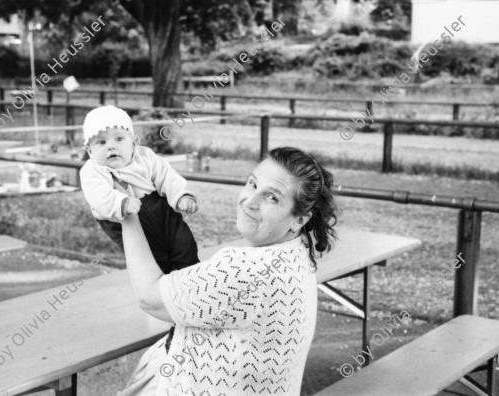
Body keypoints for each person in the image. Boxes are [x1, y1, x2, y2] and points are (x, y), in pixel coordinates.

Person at [117, 146, 339, 395]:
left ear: (300, 219)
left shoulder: (246, 270)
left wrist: (125, 209)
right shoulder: (298, 252)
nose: (250, 202)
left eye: (272, 197)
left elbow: (149, 297)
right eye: (253, 184)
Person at [79, 105, 200, 273]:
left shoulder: (145, 157)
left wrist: (181, 196)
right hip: (124, 220)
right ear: (90, 151)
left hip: (159, 208)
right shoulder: (93, 170)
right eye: (101, 142)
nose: (111, 146)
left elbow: (166, 176)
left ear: (135, 142)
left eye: (119, 139)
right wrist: (122, 203)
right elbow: (99, 196)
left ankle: (191, 276)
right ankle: (163, 288)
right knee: (151, 258)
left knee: (183, 243)